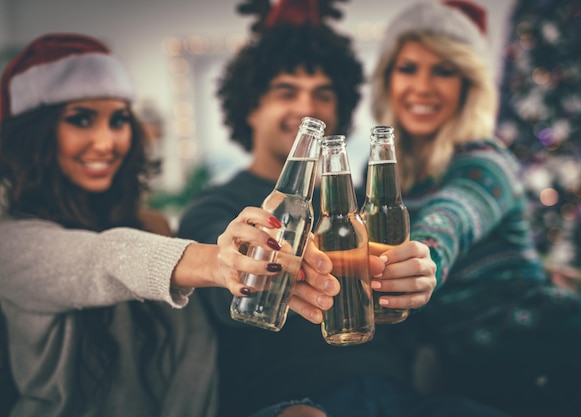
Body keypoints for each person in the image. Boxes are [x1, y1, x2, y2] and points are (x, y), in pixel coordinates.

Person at [179, 1, 513, 417]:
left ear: (341, 109)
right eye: (287, 92)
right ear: (250, 107)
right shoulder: (218, 205)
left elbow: (438, 241)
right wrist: (238, 263)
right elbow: (215, 291)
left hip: (400, 396)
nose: (307, 108)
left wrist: (427, 269)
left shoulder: (364, 204)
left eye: (323, 94)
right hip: (288, 401)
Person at [0, 32, 342, 417]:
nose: (106, 141)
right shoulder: (10, 243)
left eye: (118, 120)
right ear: (35, 134)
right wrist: (217, 263)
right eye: (80, 119)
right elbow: (103, 257)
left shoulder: (155, 225)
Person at [369, 1, 581, 416]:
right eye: (408, 68)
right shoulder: (377, 178)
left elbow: (451, 218)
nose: (422, 86)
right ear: (387, 78)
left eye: (444, 70)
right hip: (490, 393)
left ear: (468, 83)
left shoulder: (485, 159)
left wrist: (423, 257)